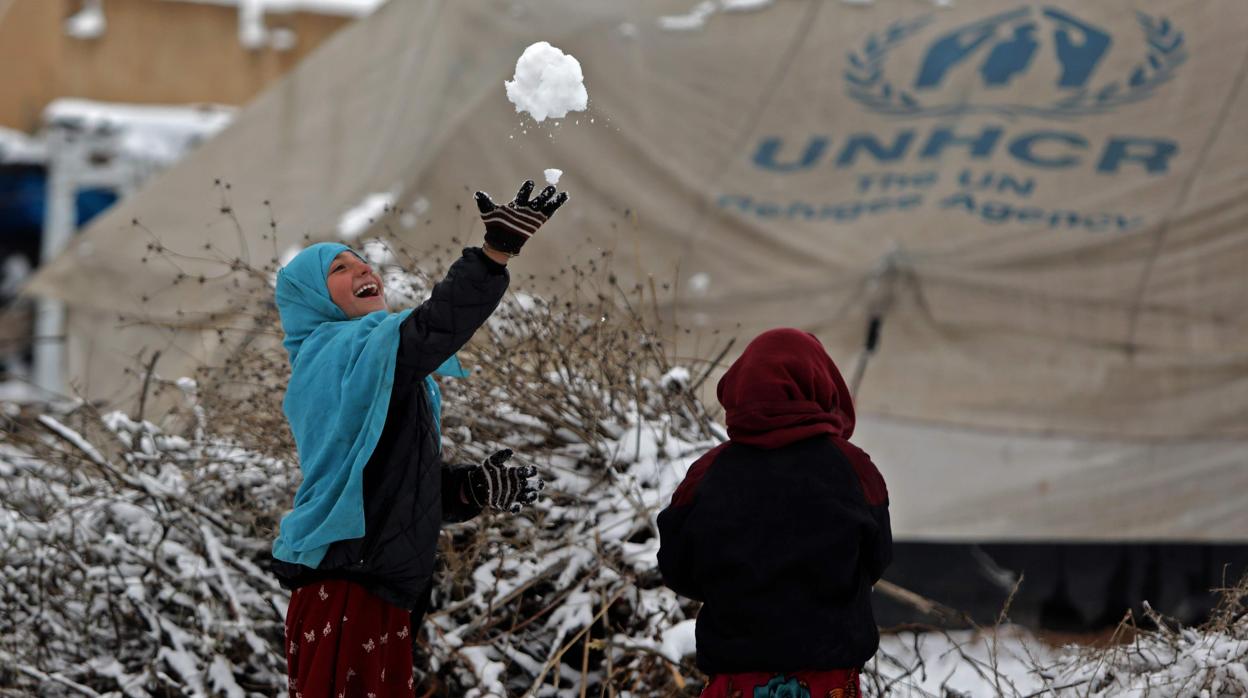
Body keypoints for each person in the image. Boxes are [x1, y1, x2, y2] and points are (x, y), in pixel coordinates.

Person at [271, 180, 567, 697]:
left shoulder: (368, 365)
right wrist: (492, 256)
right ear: (312, 298)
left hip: (376, 585)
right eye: (339, 269)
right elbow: (431, 330)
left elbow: (387, 483)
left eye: (361, 262)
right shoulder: (335, 357)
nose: (364, 269)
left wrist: (469, 489)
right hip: (346, 589)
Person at [656, 328, 892, 698]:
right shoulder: (854, 470)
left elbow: (676, 567)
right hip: (828, 685)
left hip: (736, 684)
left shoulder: (707, 475)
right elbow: (877, 558)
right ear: (820, 384)